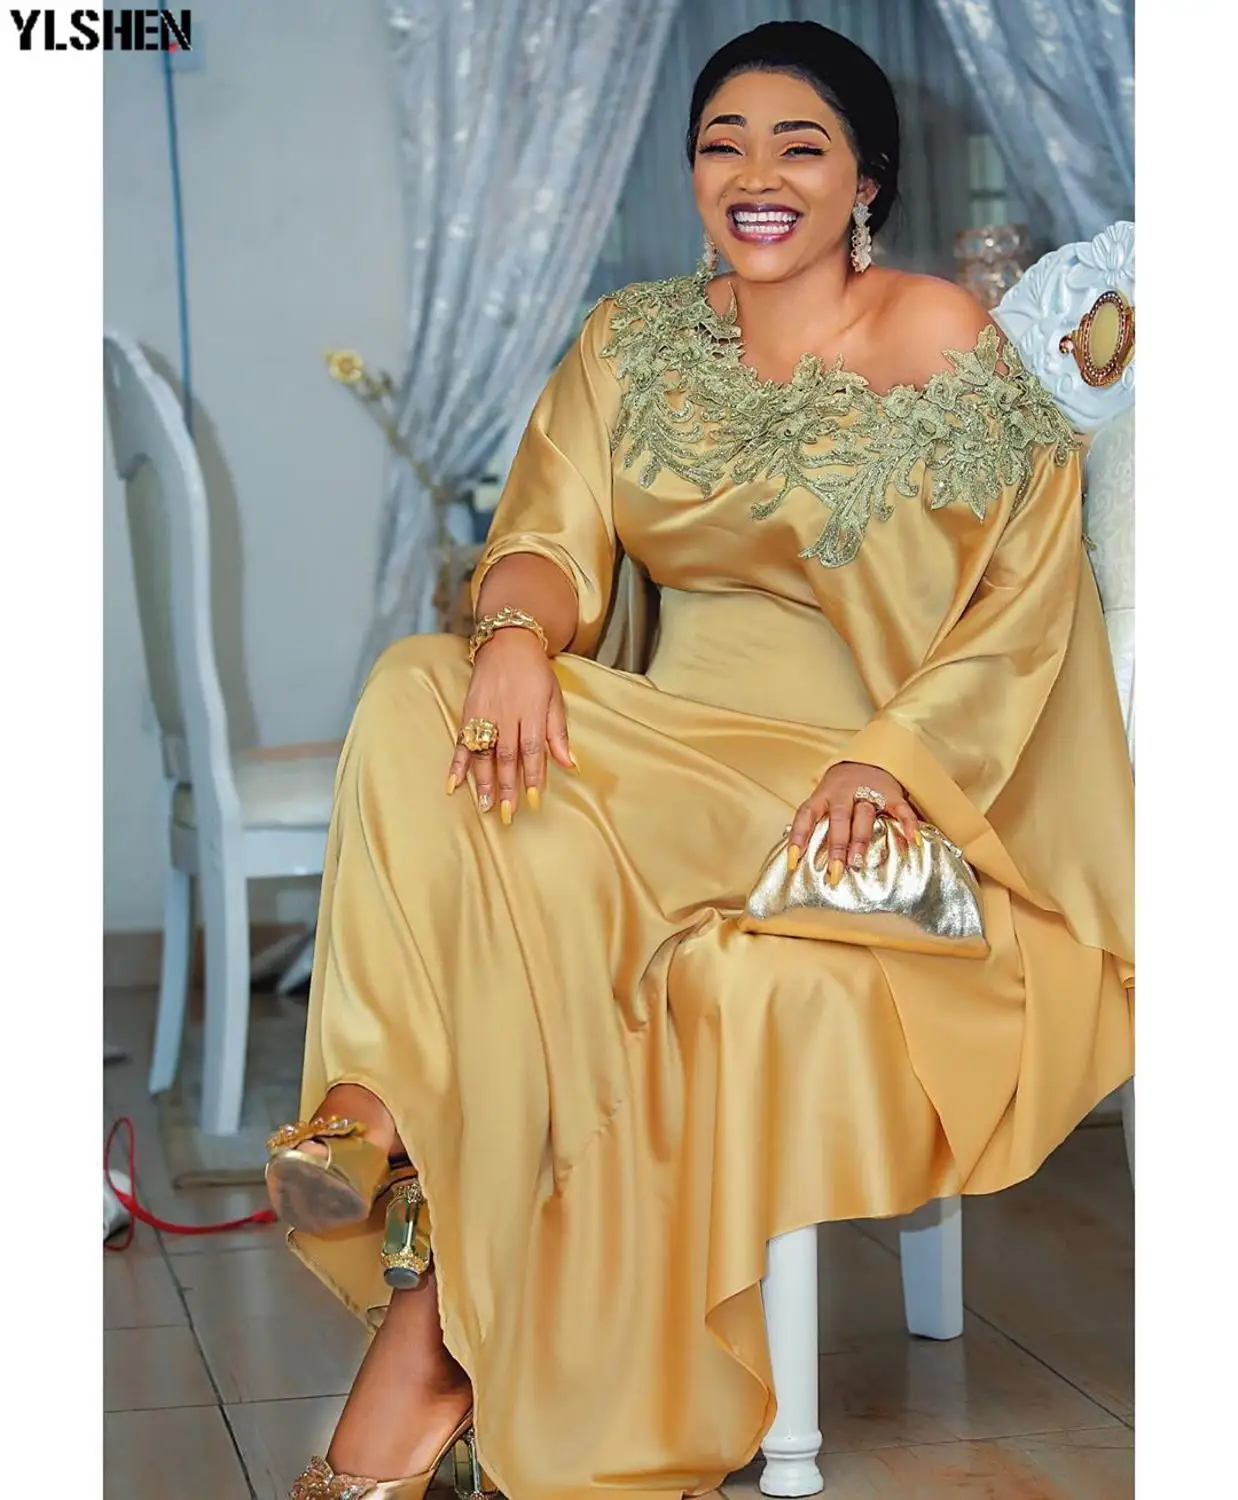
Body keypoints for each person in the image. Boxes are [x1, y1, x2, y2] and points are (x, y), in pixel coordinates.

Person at [270, 21, 1134, 1500]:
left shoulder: (936, 337)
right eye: (722, 144)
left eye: (799, 146)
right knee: (424, 690)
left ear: (867, 180)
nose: (755, 175)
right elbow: (541, 536)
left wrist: (891, 764)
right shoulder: (632, 340)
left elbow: (1022, 603)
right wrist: (516, 634)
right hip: (655, 765)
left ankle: (429, 1318)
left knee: (538, 851)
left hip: (857, 800)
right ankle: (384, 1127)